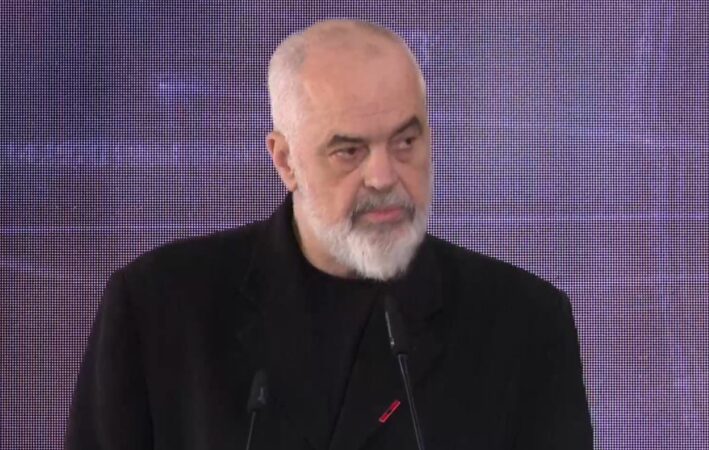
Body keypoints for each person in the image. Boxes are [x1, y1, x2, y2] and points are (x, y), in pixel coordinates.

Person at [66, 19, 593, 450]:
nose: (384, 178)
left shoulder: (524, 322)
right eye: (349, 151)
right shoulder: (159, 307)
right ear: (285, 161)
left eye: (405, 142)